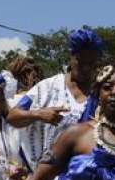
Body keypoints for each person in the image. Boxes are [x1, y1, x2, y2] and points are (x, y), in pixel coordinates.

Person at [8, 27, 105, 168]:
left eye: (91, 64)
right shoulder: (47, 87)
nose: (85, 68)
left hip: (83, 179)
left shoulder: (101, 95)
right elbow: (12, 117)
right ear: (71, 57)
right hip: (46, 179)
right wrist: (38, 114)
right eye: (80, 61)